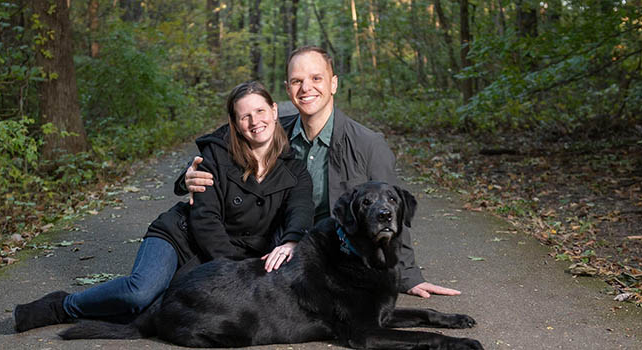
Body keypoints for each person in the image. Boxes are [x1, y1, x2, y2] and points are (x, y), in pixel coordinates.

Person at [13, 82, 314, 332]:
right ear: (235, 123)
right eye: (244, 116)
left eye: (260, 110)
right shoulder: (216, 156)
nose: (254, 121)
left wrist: (290, 241)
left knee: (158, 312)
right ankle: (64, 305)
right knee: (139, 293)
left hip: (221, 258)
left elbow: (300, 208)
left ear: (274, 112)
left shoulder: (295, 169)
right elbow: (205, 220)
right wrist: (237, 271)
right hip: (181, 237)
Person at [180, 46, 459, 298]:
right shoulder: (274, 133)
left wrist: (408, 276)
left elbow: (394, 213)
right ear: (288, 90)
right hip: (271, 251)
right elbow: (220, 143)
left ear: (333, 83)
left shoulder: (368, 144)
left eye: (316, 78)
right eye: (297, 81)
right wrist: (186, 178)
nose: (306, 88)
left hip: (336, 257)